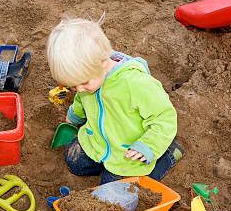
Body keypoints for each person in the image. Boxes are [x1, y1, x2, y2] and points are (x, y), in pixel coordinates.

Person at [46, 17, 183, 184]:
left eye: (83, 83)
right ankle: (104, 162)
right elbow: (81, 99)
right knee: (74, 162)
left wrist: (148, 146)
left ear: (103, 63)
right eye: (73, 87)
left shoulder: (135, 84)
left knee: (112, 188)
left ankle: (169, 154)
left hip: (128, 153)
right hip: (98, 141)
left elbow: (164, 117)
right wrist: (74, 116)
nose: (79, 90)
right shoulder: (89, 79)